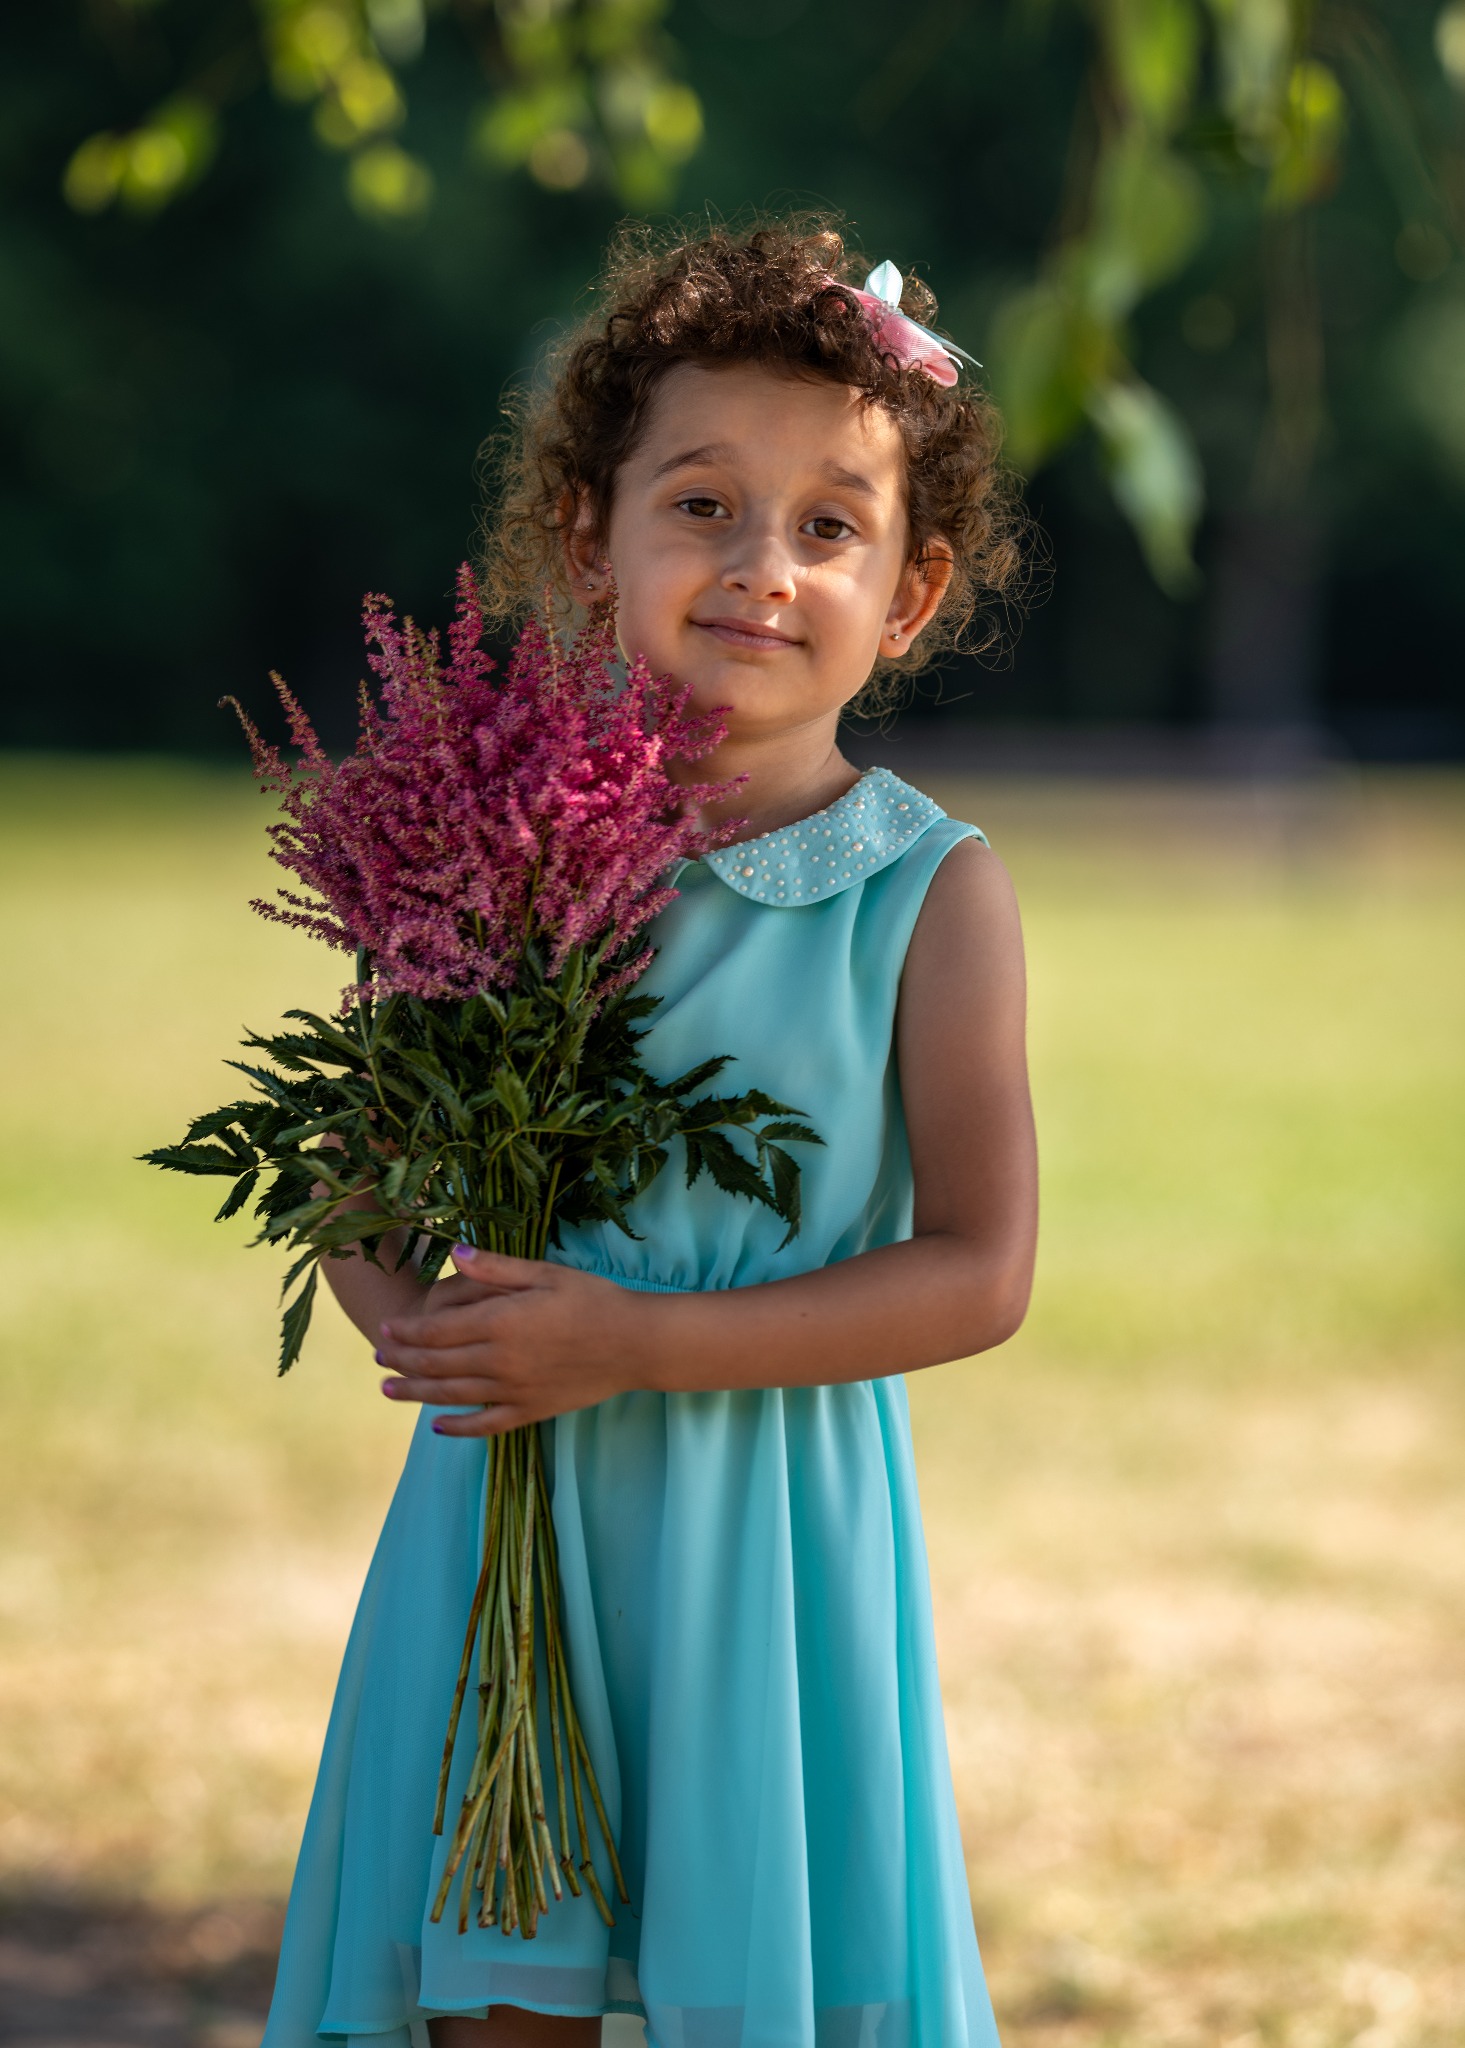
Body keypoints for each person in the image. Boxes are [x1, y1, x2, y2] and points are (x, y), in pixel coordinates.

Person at [261, 219, 1037, 2048]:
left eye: (827, 527)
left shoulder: (929, 894)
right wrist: (411, 1313)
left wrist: (640, 1342)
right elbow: (357, 1173)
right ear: (583, 536)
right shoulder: (496, 844)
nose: (760, 567)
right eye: (699, 504)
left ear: (906, 595)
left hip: (763, 1540)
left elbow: (980, 1274)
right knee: (492, 1994)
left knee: (738, 1984)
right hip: (508, 1510)